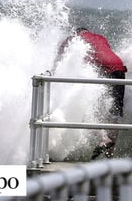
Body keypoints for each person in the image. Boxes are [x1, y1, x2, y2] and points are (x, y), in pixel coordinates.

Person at [52, 28, 127, 160]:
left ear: (76, 32)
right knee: (115, 111)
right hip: (118, 67)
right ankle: (110, 156)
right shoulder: (100, 37)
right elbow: (105, 53)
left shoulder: (73, 39)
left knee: (83, 107)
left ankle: (104, 138)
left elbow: (59, 60)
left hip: (101, 68)